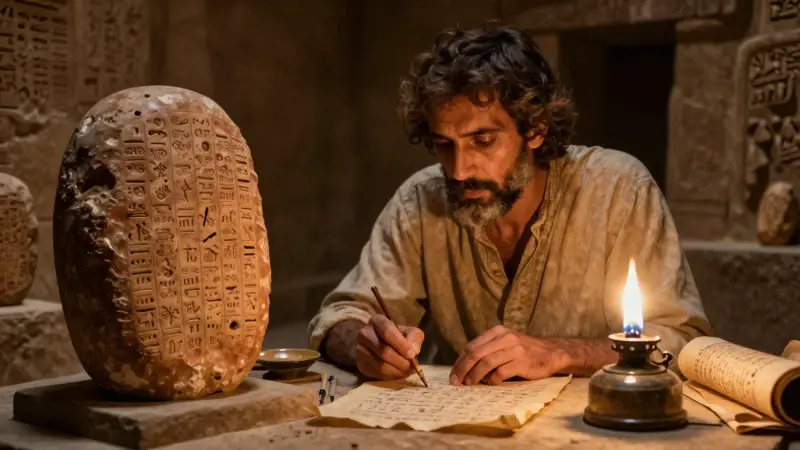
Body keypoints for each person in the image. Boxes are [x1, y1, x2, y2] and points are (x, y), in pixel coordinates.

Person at [308, 24, 712, 386]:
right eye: (444, 145)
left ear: (534, 130)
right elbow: (339, 315)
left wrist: (560, 353)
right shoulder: (421, 200)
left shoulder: (618, 191)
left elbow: (682, 341)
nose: (461, 170)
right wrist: (364, 345)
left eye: (482, 141)